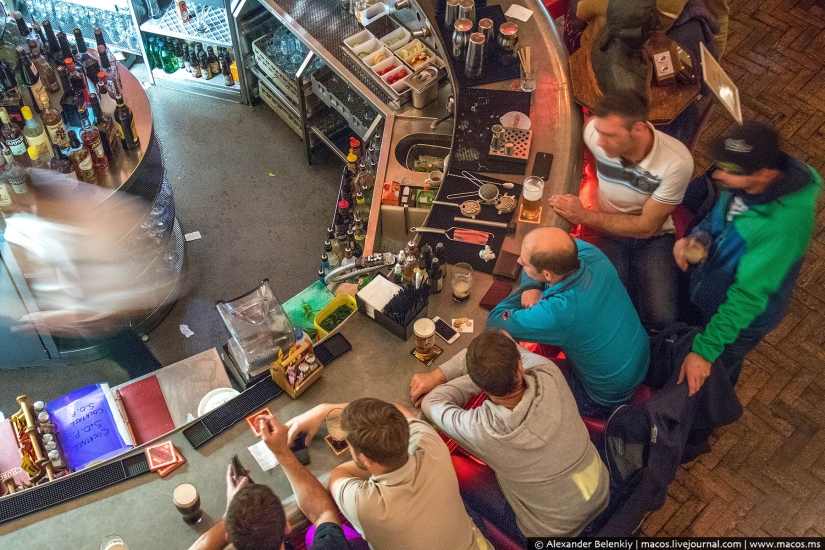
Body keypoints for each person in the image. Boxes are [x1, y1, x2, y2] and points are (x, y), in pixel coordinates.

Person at [411, 330, 610, 542]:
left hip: (552, 533)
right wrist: (493, 375)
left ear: (482, 388)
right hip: (601, 492)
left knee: (456, 470)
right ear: (520, 365)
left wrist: (441, 375)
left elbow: (431, 401)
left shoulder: (483, 431)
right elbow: (502, 336)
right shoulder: (548, 372)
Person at [673, 122, 822, 395]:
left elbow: (747, 298)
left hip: (742, 321)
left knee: (719, 373)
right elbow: (718, 219)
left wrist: (705, 352)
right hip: (711, 291)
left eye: (730, 171)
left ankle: (711, 414)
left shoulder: (783, 226)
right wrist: (698, 237)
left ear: (764, 174)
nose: (719, 174)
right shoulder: (743, 184)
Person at [549, 91, 693, 330]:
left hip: (652, 238)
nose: (600, 142)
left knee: (662, 318)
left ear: (637, 129)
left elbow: (646, 227)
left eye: (610, 136)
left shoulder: (677, 162)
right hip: (605, 232)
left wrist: (582, 215)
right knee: (600, 309)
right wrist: (592, 185)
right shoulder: (595, 134)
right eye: (598, 131)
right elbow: (591, 158)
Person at [485, 227, 649, 418]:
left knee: (509, 377)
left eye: (525, 263)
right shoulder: (591, 255)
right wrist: (531, 284)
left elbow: (496, 323)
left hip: (605, 396)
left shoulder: (560, 311)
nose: (519, 261)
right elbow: (556, 247)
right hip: (640, 359)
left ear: (547, 274)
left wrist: (525, 291)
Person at [286, 398, 491, 550]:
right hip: (475, 543)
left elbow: (338, 474)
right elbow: (396, 410)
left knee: (314, 534)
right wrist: (326, 409)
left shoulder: (363, 504)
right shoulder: (432, 445)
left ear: (366, 459)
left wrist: (326, 411)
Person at [187, 413, 351, 550]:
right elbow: (323, 513)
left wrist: (227, 518)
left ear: (229, 538)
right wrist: (282, 453)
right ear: (287, 526)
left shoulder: (229, 537)